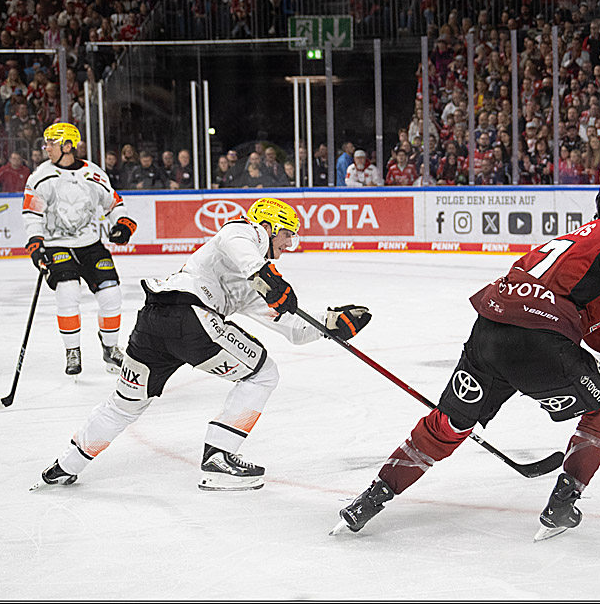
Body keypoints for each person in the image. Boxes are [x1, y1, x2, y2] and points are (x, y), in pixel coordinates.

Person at [332, 181, 600, 540]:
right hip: (539, 341)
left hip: (490, 331)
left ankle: (372, 497)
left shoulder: (579, 250)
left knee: (450, 423)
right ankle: (562, 503)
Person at [35, 198, 372, 491]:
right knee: (263, 373)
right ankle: (219, 457)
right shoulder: (246, 232)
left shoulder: (250, 276)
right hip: (191, 318)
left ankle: (66, 465)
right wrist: (264, 273)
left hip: (152, 323)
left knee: (125, 403)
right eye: (287, 235)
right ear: (268, 227)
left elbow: (293, 328)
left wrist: (331, 325)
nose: (289, 244)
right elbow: (233, 238)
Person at [22, 122, 137, 378]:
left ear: (67, 145)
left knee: (111, 294)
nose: (46, 148)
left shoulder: (93, 173)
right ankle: (72, 350)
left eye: (51, 143)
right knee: (68, 291)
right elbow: (32, 214)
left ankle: (110, 348)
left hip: (90, 244)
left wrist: (122, 224)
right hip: (56, 245)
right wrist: (35, 244)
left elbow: (113, 203)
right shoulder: (40, 177)